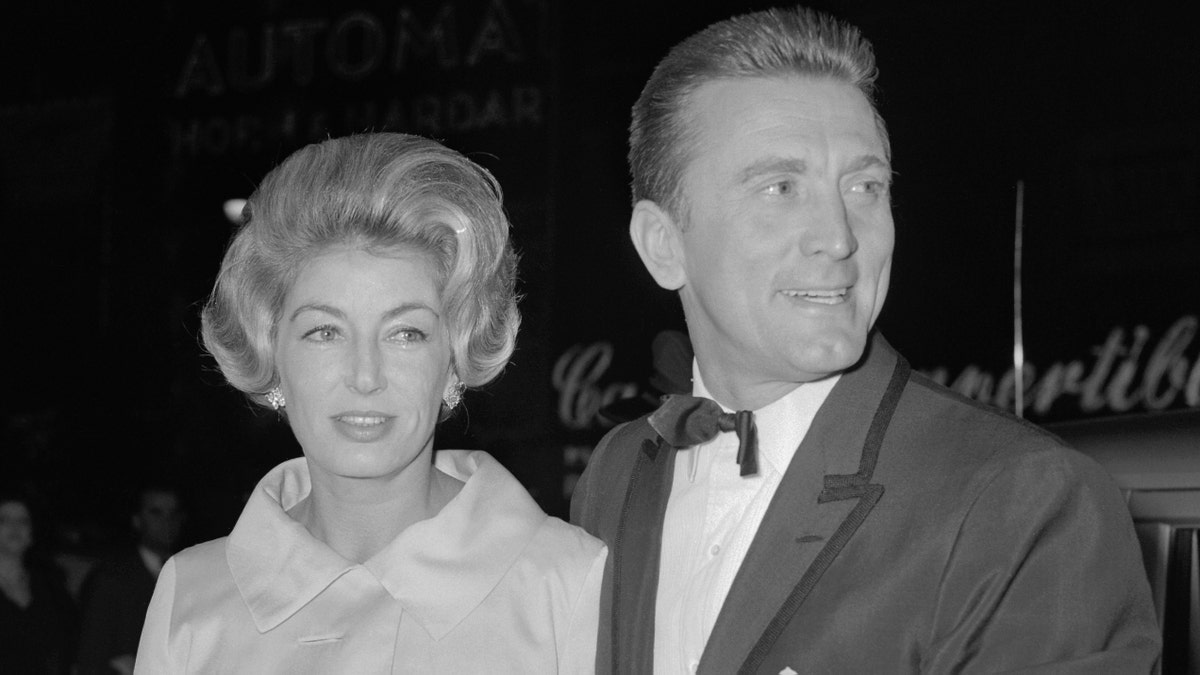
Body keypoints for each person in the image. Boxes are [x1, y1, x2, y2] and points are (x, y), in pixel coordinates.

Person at [570, 6, 1161, 673]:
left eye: (865, 186)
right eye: (781, 187)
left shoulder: (1027, 500)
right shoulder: (616, 474)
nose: (841, 236)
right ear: (663, 245)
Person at [135, 133, 606, 673]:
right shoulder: (191, 597)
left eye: (405, 333)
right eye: (324, 332)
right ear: (270, 352)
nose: (365, 377)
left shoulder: (566, 583)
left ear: (454, 360)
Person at [78, 485, 184, 674]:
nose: (166, 520)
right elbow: (90, 657)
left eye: (173, 513)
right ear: (137, 520)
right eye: (156, 512)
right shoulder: (111, 577)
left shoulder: (186, 573)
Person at [0, 491, 77, 674]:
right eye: (4, 520)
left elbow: (70, 646)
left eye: (23, 521)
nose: (15, 527)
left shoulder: (52, 585)